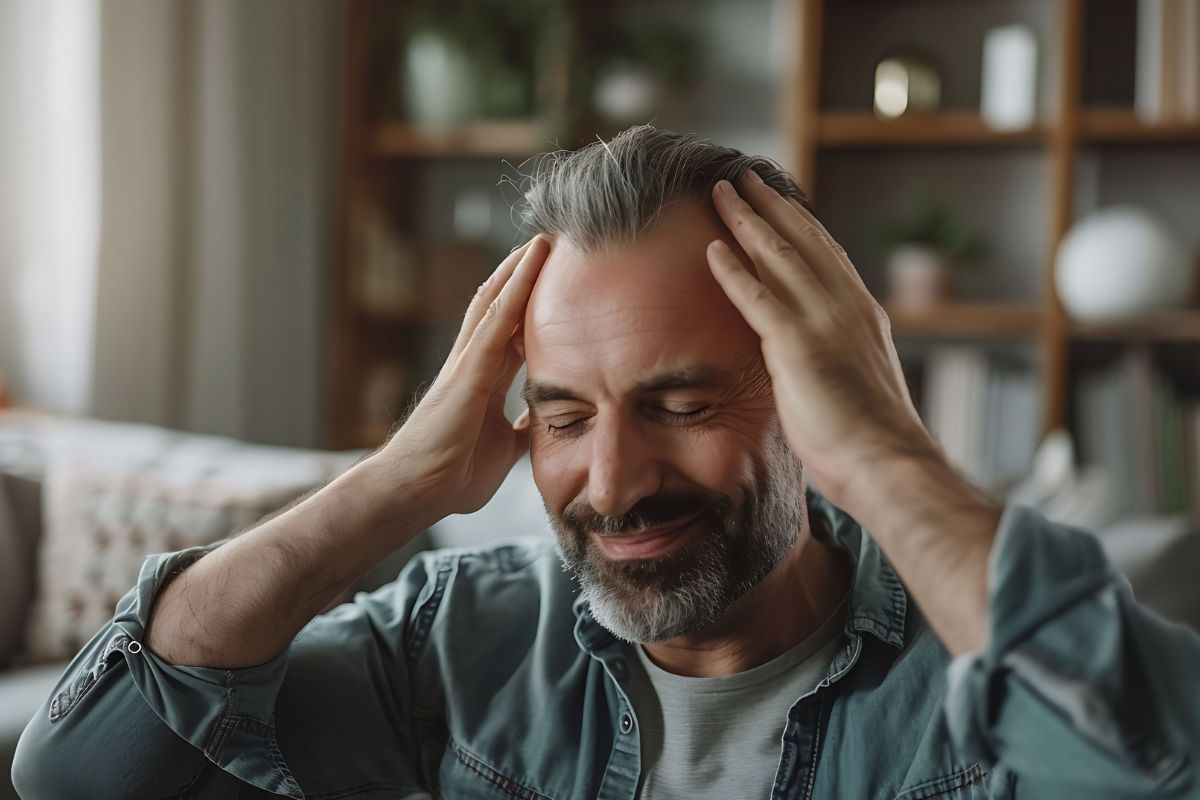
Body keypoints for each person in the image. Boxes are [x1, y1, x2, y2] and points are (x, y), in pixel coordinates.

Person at [11, 126, 1200, 799]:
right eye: (565, 414)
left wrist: (886, 451)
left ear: (813, 391)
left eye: (681, 401)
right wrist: (403, 477)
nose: (616, 480)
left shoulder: (983, 673)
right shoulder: (461, 642)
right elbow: (83, 773)